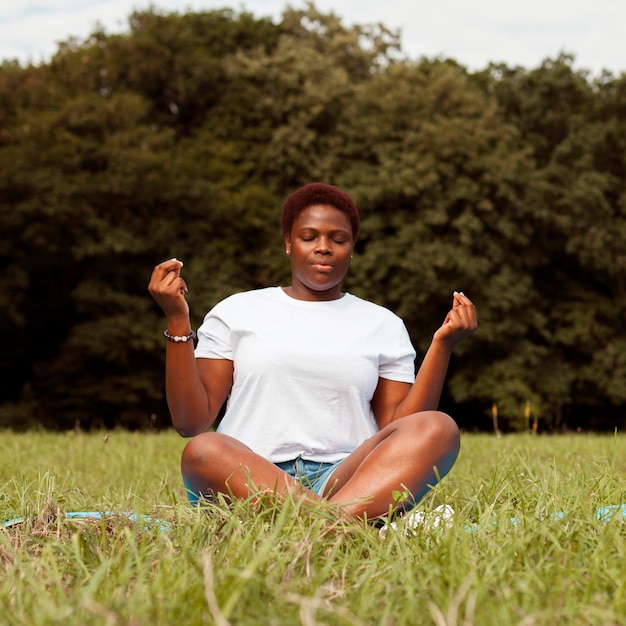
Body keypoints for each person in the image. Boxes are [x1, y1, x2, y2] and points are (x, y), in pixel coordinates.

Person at [148, 182, 477, 523]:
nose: (324, 248)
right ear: (288, 243)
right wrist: (177, 318)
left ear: (352, 247)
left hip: (345, 481)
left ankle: (325, 524)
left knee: (438, 428)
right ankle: (347, 526)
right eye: (309, 237)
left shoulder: (383, 324)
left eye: (338, 239)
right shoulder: (237, 311)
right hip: (247, 479)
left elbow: (402, 428)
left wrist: (442, 346)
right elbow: (190, 422)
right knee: (204, 449)